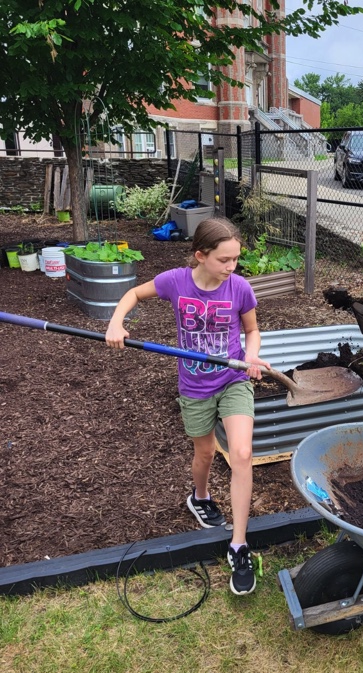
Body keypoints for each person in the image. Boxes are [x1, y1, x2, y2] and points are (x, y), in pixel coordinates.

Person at [105, 217, 270, 596]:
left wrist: (252, 356)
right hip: (194, 385)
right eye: (224, 260)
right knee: (205, 452)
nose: (232, 268)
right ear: (201, 255)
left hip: (233, 380)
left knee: (242, 453)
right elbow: (133, 294)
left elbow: (252, 330)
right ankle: (200, 497)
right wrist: (117, 322)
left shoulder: (240, 287)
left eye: (236, 260)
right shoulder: (175, 281)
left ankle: (239, 545)